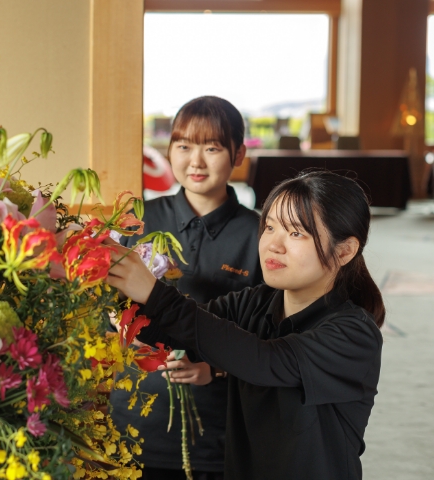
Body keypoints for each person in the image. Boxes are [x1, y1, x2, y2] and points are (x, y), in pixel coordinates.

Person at [107, 170, 385, 480]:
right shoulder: (257, 301)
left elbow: (264, 360)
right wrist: (111, 285)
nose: (273, 245)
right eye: (269, 227)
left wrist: (155, 293)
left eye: (296, 233)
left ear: (344, 250)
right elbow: (177, 333)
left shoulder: (354, 333)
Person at [110, 96, 263, 480]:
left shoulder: (261, 234)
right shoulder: (137, 221)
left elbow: (268, 336)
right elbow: (104, 305)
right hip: (132, 422)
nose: (196, 162)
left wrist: (214, 369)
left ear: (239, 153)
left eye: (211, 148)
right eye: (184, 146)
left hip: (214, 433)